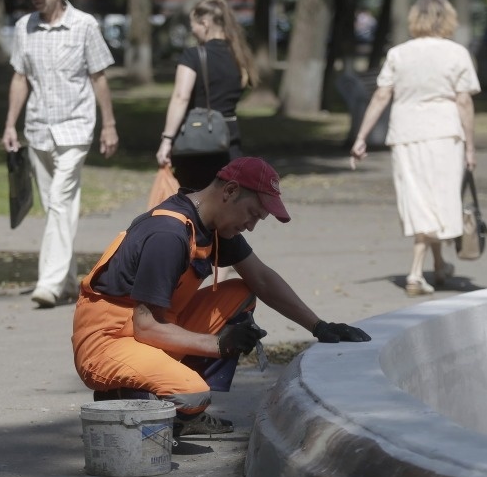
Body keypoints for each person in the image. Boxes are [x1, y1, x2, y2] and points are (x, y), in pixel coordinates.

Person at [72, 156, 371, 437]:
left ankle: (174, 398)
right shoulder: (168, 235)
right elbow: (146, 326)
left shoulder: (213, 226)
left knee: (241, 292)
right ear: (230, 190)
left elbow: (262, 279)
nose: (252, 226)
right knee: (192, 394)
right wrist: (218, 344)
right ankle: (129, 398)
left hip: (150, 330)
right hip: (108, 343)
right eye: (253, 214)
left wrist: (319, 326)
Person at [2, 0, 118, 309]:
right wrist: (10, 123)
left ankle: (49, 284)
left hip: (76, 128)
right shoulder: (25, 27)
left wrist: (109, 124)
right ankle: (69, 281)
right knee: (59, 207)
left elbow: (99, 77)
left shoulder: (84, 25)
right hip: (38, 129)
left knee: (59, 202)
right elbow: (20, 77)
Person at [349, 0, 480, 297]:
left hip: (405, 133)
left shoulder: (398, 54)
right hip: (445, 134)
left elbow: (382, 95)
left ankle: (439, 264)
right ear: (446, 18)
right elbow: (463, 101)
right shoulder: (456, 53)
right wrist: (471, 146)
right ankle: (416, 273)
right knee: (438, 201)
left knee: (420, 199)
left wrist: (361, 136)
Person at [156, 0, 258, 191]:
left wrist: (167, 140)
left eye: (193, 25)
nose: (192, 30)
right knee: (224, 206)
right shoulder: (240, 56)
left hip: (196, 144)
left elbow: (181, 97)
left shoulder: (193, 56)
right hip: (229, 141)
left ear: (205, 23)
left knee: (195, 205)